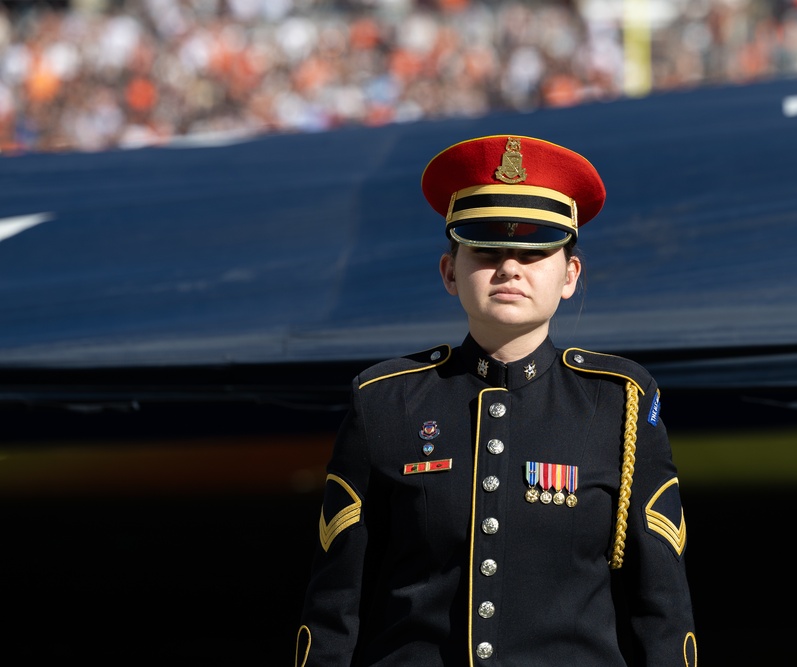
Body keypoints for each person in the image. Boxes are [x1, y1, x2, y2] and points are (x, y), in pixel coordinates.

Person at [295, 134, 697, 666]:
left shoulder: (619, 402)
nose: (510, 268)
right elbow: (334, 610)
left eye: (534, 251)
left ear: (570, 276)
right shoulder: (385, 401)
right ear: (449, 272)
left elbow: (662, 612)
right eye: (486, 250)